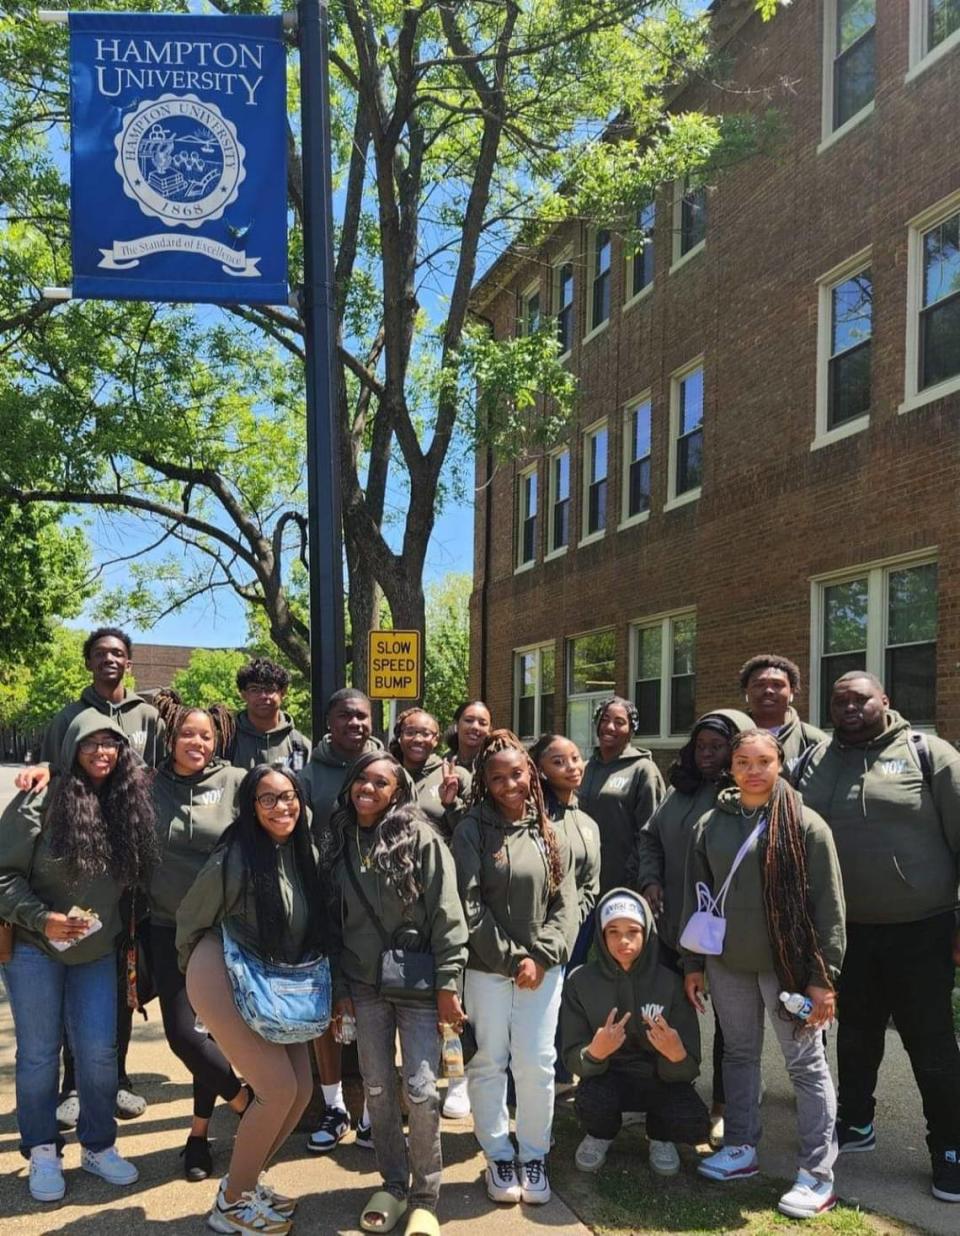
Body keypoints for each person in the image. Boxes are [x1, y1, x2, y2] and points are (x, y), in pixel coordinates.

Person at [796, 672, 960, 1204]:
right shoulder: (815, 761)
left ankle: (951, 1148)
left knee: (930, 1040)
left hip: (922, 927)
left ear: (884, 700)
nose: (848, 707)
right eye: (839, 699)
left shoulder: (927, 753)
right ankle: (857, 1122)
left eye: (859, 698)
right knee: (856, 1032)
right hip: (846, 932)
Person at [682, 729, 845, 1219]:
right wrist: (693, 963)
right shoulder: (711, 823)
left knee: (805, 1066)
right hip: (728, 963)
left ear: (780, 764)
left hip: (789, 968)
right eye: (743, 762)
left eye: (763, 761)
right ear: (731, 769)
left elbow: (829, 906)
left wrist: (822, 977)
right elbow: (698, 895)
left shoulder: (806, 824)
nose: (754, 770)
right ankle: (740, 1148)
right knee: (738, 1055)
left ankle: (818, 1174)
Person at [0, 711, 158, 1202]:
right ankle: (43, 1149)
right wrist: (40, 918)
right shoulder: (36, 801)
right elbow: (3, 878)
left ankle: (98, 1143)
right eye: (91, 744)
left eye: (111, 744)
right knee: (40, 1056)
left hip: (95, 951)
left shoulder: (127, 802)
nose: (102, 753)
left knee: (98, 1053)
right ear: (70, 749)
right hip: (35, 949)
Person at [15, 626, 165, 1124]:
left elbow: (160, 779)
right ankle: (72, 1085)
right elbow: (55, 772)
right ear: (88, 663)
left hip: (128, 869)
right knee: (69, 980)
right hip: (78, 863)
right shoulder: (70, 715)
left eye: (118, 654)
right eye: (100, 654)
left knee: (119, 988)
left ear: (130, 662)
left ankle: (114, 1079)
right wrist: (40, 770)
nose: (110, 660)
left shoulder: (148, 716)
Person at [319, 752, 468, 1236]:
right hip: (364, 985)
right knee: (378, 1090)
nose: (368, 787)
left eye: (380, 782)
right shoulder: (339, 841)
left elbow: (449, 914)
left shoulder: (421, 837)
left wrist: (449, 986)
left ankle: (426, 1195)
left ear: (398, 792)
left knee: (422, 1092)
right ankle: (394, 1183)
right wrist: (341, 989)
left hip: (418, 984)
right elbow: (332, 925)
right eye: (360, 777)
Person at [177, 765, 330, 1234]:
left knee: (301, 1091)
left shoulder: (306, 852)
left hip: (276, 981)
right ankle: (233, 1205)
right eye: (267, 799)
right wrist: (206, 986)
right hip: (222, 971)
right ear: (251, 806)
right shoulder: (236, 856)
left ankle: (244, 1183)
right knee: (277, 1089)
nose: (281, 807)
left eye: (288, 796)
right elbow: (190, 920)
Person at [451, 730, 577, 1207]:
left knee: (537, 1063)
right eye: (498, 777)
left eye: (517, 774)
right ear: (485, 781)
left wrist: (541, 956)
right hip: (488, 969)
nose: (509, 785)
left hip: (542, 971)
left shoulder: (550, 828)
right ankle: (498, 1154)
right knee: (488, 1062)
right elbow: (468, 903)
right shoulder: (471, 829)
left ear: (532, 774)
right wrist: (509, 959)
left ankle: (534, 1154)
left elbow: (568, 901)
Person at [635, 709, 752, 1143]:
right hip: (670, 924)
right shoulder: (678, 789)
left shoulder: (739, 795)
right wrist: (649, 880)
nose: (706, 754)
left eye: (716, 746)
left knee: (728, 1024)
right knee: (663, 1010)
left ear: (733, 750)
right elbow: (649, 837)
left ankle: (722, 1105)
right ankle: (661, 1093)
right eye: (701, 746)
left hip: (719, 930)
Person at [149, 699, 250, 1181]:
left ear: (218, 741)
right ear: (171, 738)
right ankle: (246, 1101)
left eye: (206, 736)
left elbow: (281, 813)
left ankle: (197, 1136)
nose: (198, 743)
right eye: (188, 734)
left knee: (212, 1032)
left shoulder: (234, 781)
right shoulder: (147, 786)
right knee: (183, 1034)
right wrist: (42, 773)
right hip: (164, 927)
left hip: (219, 927)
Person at [560, 890, 709, 1177]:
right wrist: (594, 1053)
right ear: (602, 937)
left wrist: (676, 1054)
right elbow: (571, 1055)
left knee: (692, 1119)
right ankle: (601, 1134)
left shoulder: (671, 983)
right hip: (609, 1077)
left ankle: (660, 1136)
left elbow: (692, 1065)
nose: (623, 940)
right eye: (613, 932)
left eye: (633, 931)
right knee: (591, 1102)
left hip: (658, 1078)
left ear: (647, 932)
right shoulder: (580, 982)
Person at [300, 687, 382, 1154]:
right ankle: (334, 1106)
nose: (356, 724)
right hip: (325, 908)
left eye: (363, 717)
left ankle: (374, 1110)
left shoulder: (384, 768)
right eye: (346, 716)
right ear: (329, 721)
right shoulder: (309, 777)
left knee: (376, 1008)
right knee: (326, 1011)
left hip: (376, 912)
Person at [578, 696, 665, 897]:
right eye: (605, 719)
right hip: (584, 882)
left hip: (624, 883)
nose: (609, 727)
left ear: (631, 729)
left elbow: (650, 831)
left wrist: (634, 875)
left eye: (619, 722)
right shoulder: (585, 769)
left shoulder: (643, 770)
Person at [529, 733, 600, 966]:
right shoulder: (532, 819)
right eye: (558, 762)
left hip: (579, 929)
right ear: (540, 770)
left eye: (575, 758)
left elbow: (591, 884)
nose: (572, 767)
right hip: (539, 932)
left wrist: (574, 919)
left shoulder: (589, 823)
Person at [389, 707, 471, 838]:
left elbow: (473, 832)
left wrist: (451, 803)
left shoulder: (456, 776)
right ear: (400, 737)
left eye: (425, 734)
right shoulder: (389, 776)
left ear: (435, 739)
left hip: (441, 856)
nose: (418, 739)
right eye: (410, 732)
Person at [738, 654, 826, 775]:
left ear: (792, 691)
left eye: (777, 685)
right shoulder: (729, 736)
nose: (768, 691)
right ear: (746, 692)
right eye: (759, 685)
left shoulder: (815, 741)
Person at [227, 657, 310, 772]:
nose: (263, 696)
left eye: (270, 689)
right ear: (243, 694)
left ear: (283, 693)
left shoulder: (299, 745)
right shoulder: (227, 741)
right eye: (254, 690)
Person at [443, 700, 492, 774]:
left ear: (489, 729)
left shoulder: (495, 763)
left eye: (482, 723)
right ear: (456, 724)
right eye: (468, 720)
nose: (475, 727)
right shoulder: (444, 762)